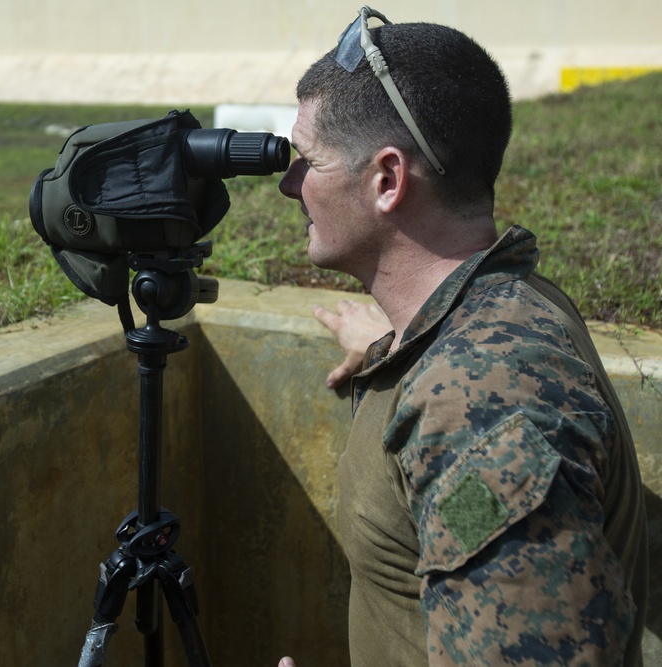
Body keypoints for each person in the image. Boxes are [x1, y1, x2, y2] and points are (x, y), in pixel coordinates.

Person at [275, 6, 648, 666]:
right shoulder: (500, 307)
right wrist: (391, 345)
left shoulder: (478, 402)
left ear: (387, 180)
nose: (289, 185)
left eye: (308, 161)